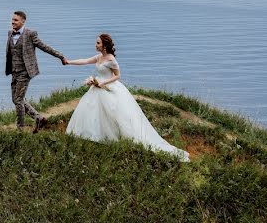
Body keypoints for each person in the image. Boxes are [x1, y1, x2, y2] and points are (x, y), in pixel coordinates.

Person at [63, 33, 189, 161]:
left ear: (105, 46)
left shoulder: (111, 59)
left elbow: (117, 76)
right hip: (98, 87)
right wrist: (69, 62)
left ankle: (116, 137)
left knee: (114, 114)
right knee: (93, 111)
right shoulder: (99, 57)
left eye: (98, 43)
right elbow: (85, 61)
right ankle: (94, 135)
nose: (96, 45)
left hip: (109, 87)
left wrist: (103, 83)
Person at [5, 10, 67, 132]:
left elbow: (44, 47)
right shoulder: (10, 33)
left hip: (25, 72)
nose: (13, 22)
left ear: (23, 21)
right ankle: (38, 118)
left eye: (16, 20)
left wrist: (60, 56)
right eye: (12, 20)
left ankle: (20, 129)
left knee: (18, 100)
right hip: (14, 71)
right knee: (16, 99)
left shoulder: (30, 34)